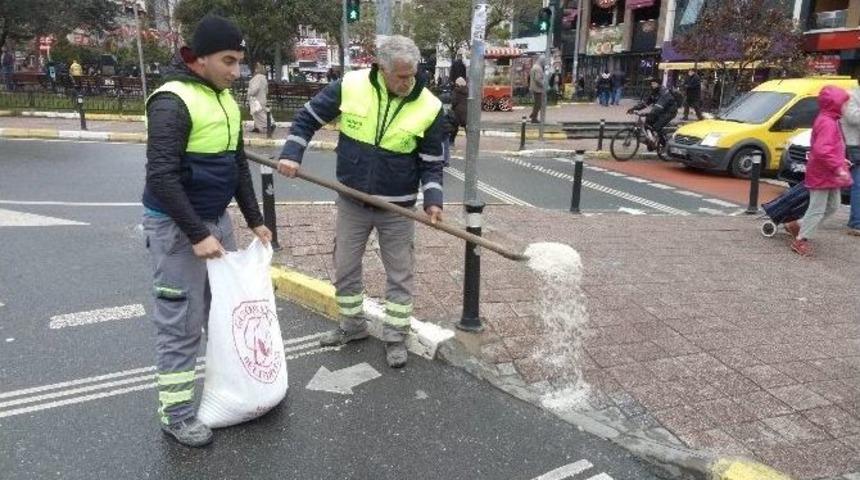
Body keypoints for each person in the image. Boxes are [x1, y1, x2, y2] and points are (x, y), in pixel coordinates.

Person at [141, 14, 271, 447]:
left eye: (239, 62)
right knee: (182, 323)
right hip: (177, 228)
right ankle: (176, 414)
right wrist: (198, 234)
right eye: (228, 61)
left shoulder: (225, 100)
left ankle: (232, 393)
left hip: (214, 221)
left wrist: (254, 219)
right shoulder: (171, 100)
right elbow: (162, 176)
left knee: (226, 313)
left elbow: (236, 165)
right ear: (199, 58)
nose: (236, 72)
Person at [276, 35, 445, 368]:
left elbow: (432, 161)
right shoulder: (351, 85)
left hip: (397, 207)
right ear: (381, 68)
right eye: (399, 75)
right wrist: (292, 153)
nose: (406, 82)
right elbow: (307, 118)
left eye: (411, 75)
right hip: (352, 199)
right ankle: (352, 327)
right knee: (345, 266)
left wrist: (433, 200)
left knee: (399, 274)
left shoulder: (429, 106)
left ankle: (396, 336)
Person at [784, 86, 853, 256]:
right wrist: (838, 167)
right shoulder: (828, 122)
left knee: (832, 206)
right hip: (823, 173)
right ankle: (801, 240)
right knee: (818, 208)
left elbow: (826, 148)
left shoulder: (830, 120)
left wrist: (840, 161)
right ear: (834, 104)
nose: (846, 107)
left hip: (827, 172)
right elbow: (822, 150)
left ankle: (798, 225)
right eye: (844, 104)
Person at [627, 77, 679, 148]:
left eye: (654, 84)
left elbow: (658, 106)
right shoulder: (653, 92)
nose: (652, 85)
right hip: (660, 111)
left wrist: (648, 114)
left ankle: (665, 145)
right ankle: (651, 141)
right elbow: (645, 103)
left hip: (669, 112)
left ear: (659, 84)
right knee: (647, 123)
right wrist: (633, 108)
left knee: (657, 127)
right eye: (651, 84)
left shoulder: (664, 92)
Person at [842, 84, 860, 236]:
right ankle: (856, 222)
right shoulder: (851, 96)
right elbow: (854, 118)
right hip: (855, 145)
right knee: (858, 185)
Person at [247, 62, 269, 134]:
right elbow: (266, 90)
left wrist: (249, 92)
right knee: (257, 114)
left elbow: (254, 89)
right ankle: (257, 127)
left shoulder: (257, 77)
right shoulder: (264, 78)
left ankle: (269, 125)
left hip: (256, 99)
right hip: (262, 98)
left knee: (259, 114)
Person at [449, 76, 468, 143]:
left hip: (457, 112)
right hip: (466, 111)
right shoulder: (468, 90)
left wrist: (452, 107)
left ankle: (451, 141)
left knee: (454, 127)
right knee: (467, 127)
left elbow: (454, 101)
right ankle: (470, 142)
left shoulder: (456, 91)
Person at [528, 56, 546, 123]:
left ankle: (533, 115)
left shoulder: (535, 67)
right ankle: (534, 118)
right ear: (541, 61)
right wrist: (543, 84)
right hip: (537, 89)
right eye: (544, 61)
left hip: (534, 87)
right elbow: (538, 79)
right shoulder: (538, 68)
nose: (545, 63)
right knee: (538, 103)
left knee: (537, 103)